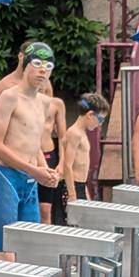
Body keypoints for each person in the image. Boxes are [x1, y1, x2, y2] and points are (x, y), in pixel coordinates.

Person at [0, 42, 60, 258]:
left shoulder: (44, 102)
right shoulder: (9, 96)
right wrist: (33, 170)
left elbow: (34, 143)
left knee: (31, 247)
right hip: (8, 178)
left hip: (30, 182)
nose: (42, 70)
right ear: (25, 64)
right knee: (6, 250)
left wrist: (45, 170)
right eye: (37, 64)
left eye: (48, 66)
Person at [53, 93, 109, 224]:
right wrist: (72, 195)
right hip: (70, 187)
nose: (100, 124)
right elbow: (67, 165)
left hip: (78, 185)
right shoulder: (75, 134)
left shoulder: (81, 133)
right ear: (90, 115)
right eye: (100, 120)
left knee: (82, 226)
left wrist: (84, 191)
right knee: (72, 227)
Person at [37, 83, 66, 224]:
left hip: (48, 154)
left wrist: (62, 162)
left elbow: (62, 137)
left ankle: (44, 235)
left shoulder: (56, 104)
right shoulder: (23, 101)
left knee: (45, 208)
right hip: (29, 156)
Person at [0, 40, 55, 105]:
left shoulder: (45, 83)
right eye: (29, 59)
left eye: (36, 62)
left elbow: (50, 109)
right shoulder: (4, 85)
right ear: (20, 56)